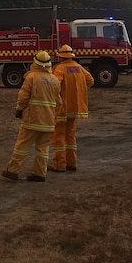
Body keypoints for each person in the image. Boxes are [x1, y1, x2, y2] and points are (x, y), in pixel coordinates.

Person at [2, 51, 62, 182]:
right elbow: (59, 103)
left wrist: (19, 110)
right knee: (43, 149)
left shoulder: (31, 77)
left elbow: (23, 97)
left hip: (32, 119)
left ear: (35, 62)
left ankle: (13, 170)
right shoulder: (55, 80)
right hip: (48, 122)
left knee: (22, 146)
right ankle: (40, 173)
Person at [49, 44, 94, 173]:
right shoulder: (79, 68)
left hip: (62, 108)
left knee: (59, 137)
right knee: (70, 137)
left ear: (60, 56)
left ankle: (60, 165)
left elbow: (55, 85)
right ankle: (72, 163)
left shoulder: (59, 68)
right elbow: (90, 80)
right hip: (75, 108)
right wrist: (79, 91)